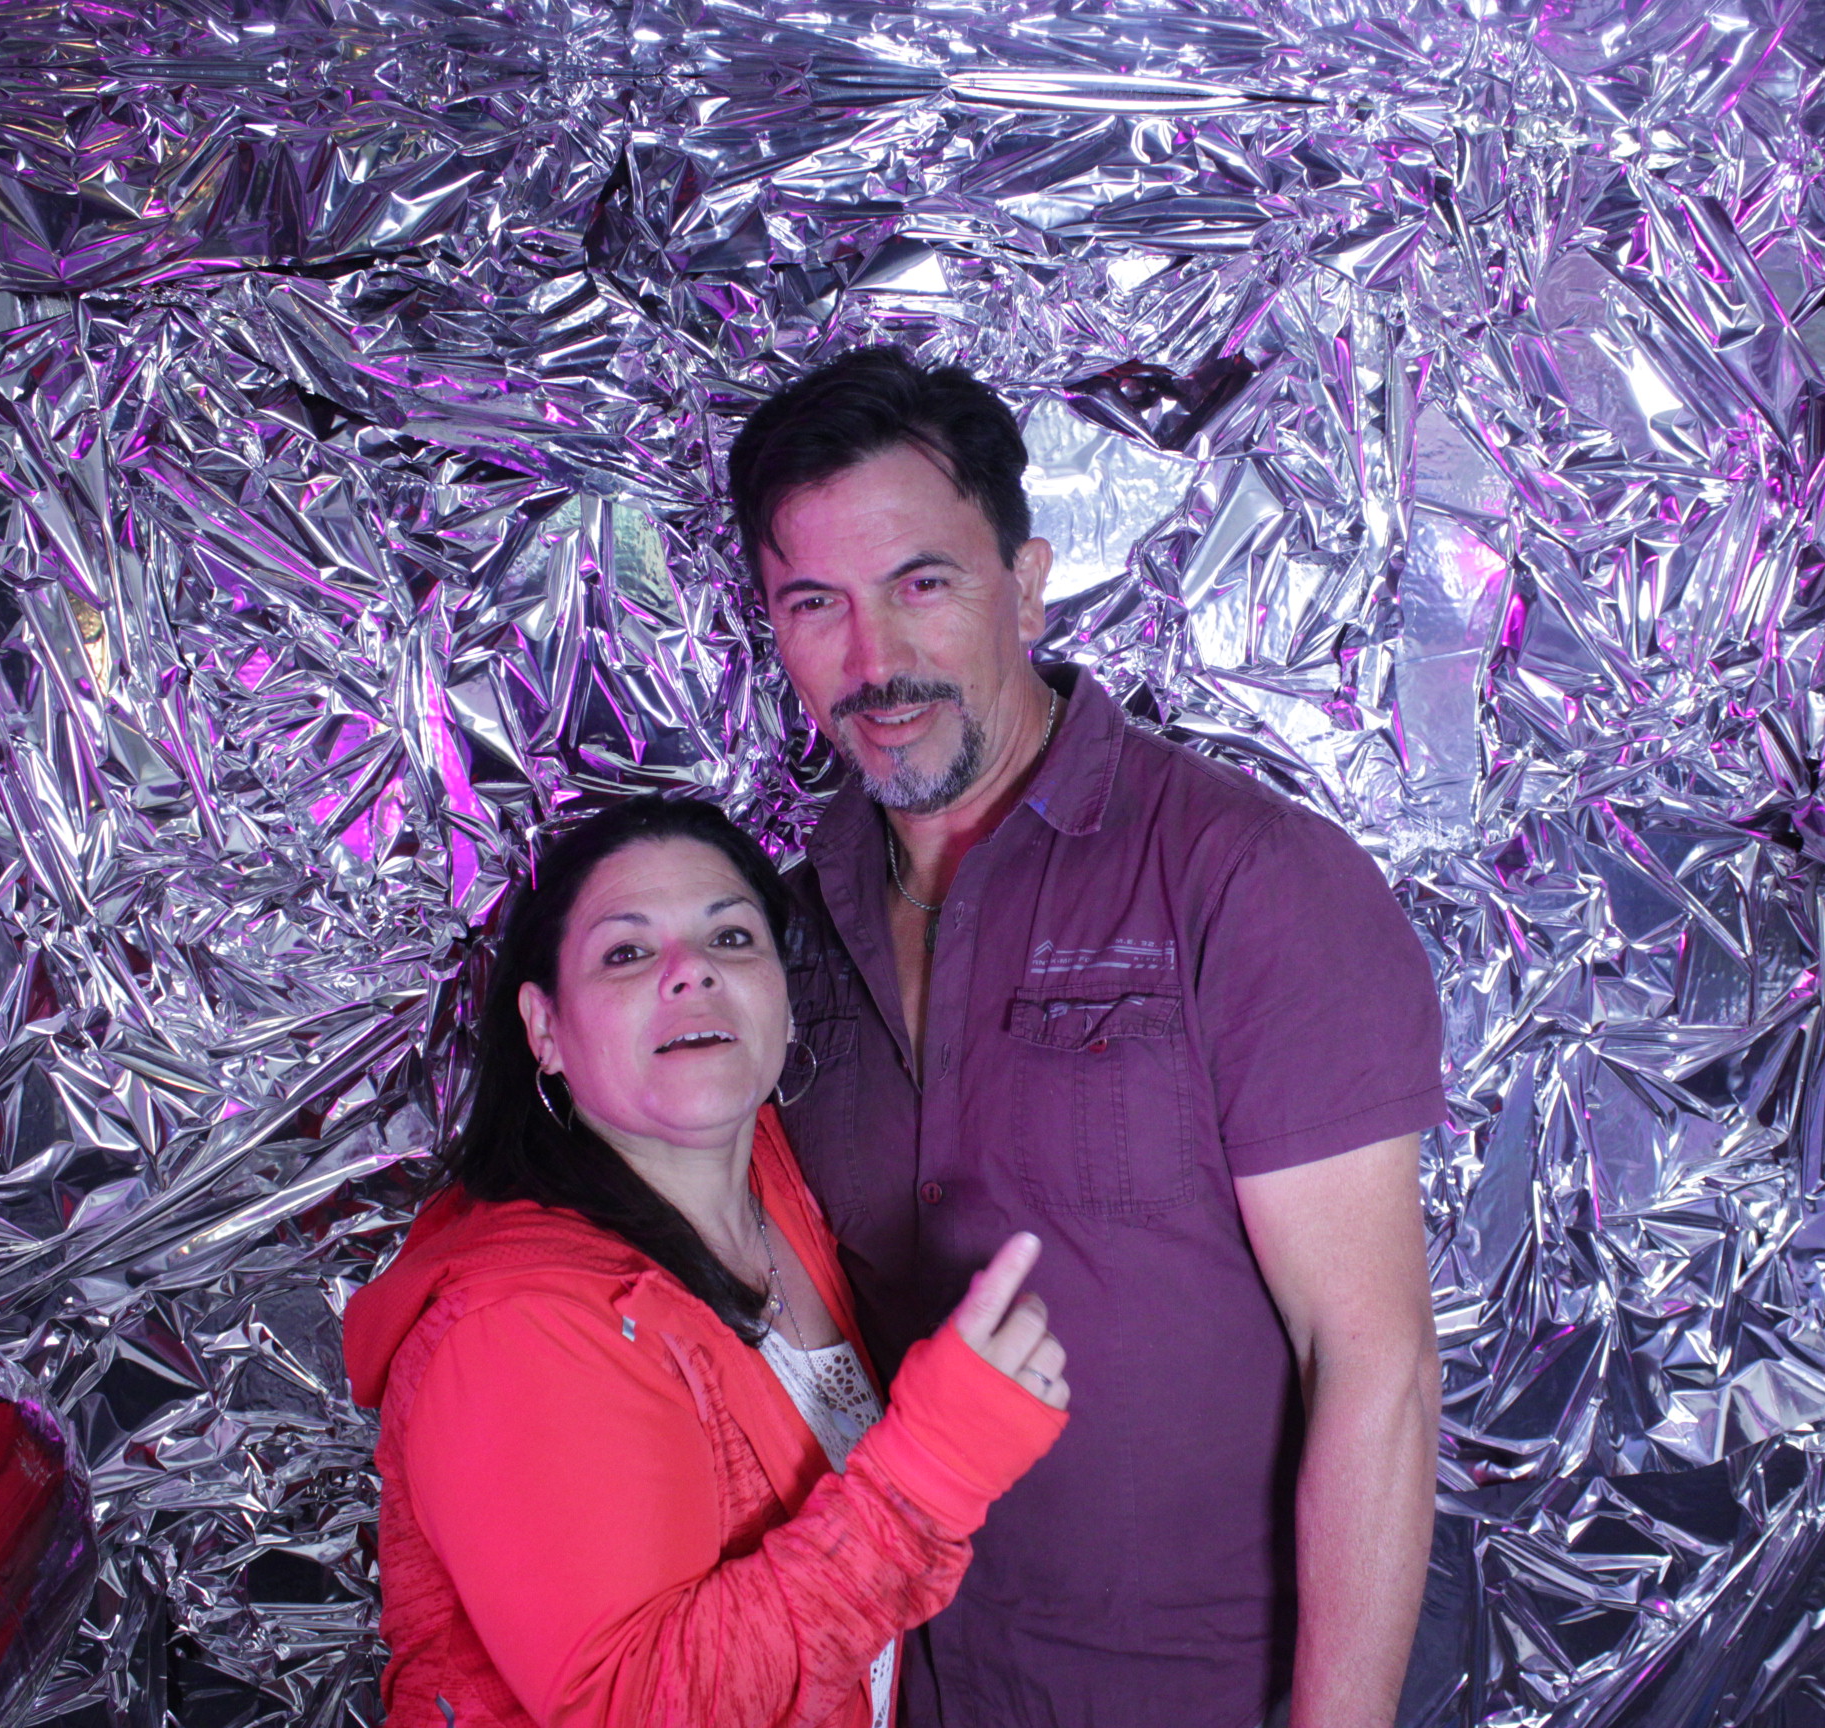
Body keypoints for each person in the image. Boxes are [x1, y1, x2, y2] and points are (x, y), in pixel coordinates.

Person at [729, 348, 1448, 1728]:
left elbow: (1376, 1366)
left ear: (1028, 583)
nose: (875, 664)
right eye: (816, 605)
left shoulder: (1245, 879)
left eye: (922, 585)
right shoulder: (779, 934)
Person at [343, 796, 1071, 1728]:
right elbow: (636, 1709)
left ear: (782, 995)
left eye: (731, 937)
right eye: (626, 952)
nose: (692, 971)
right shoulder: (516, 1326)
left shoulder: (771, 1173)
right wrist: (934, 1468)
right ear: (545, 1029)